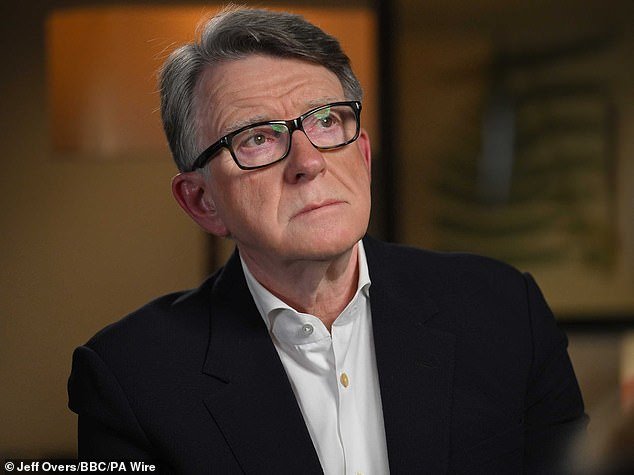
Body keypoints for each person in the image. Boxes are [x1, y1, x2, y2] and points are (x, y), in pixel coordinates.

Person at [68, 6, 587, 474]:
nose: (309, 162)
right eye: (257, 138)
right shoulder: (130, 378)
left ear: (363, 156)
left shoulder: (505, 311)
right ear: (202, 201)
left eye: (325, 121)